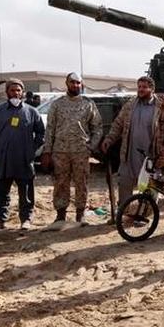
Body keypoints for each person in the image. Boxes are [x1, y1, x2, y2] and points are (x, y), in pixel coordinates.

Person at [101, 76, 164, 209]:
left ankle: (145, 215)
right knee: (124, 183)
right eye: (139, 87)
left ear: (152, 89)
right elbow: (118, 124)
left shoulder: (161, 107)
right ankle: (124, 212)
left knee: (150, 187)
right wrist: (109, 139)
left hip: (151, 156)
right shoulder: (131, 105)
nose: (140, 90)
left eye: (144, 87)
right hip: (129, 154)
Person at [41, 73, 102, 224]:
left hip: (81, 151)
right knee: (61, 182)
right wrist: (47, 151)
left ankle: (80, 213)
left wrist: (91, 146)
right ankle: (61, 214)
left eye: (78, 83)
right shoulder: (57, 104)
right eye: (72, 82)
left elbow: (97, 127)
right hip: (60, 151)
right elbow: (50, 129)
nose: (75, 85)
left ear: (82, 85)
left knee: (82, 182)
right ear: (66, 84)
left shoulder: (88, 104)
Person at [0, 78, 45, 231]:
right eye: (12, 90)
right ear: (7, 92)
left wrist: (31, 149)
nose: (15, 93)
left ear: (22, 93)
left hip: (23, 160)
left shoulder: (31, 112)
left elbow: (41, 133)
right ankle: (0, 220)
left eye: (18, 90)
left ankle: (26, 219)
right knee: (0, 192)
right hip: (2, 160)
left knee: (25, 193)